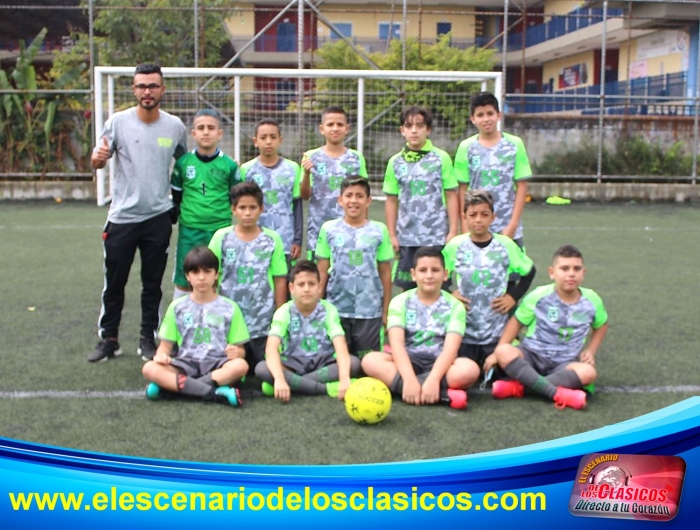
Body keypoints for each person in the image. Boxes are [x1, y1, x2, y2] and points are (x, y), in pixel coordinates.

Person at [89, 63, 188, 363]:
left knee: (152, 284)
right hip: (122, 218)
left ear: (162, 89)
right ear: (133, 90)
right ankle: (109, 339)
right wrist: (97, 158)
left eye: (153, 86)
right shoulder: (117, 123)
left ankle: (148, 339)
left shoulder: (175, 127)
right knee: (114, 282)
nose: (147, 91)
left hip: (158, 217)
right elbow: (99, 160)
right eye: (142, 86)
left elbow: (184, 165)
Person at [492, 245, 609, 410]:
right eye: (564, 268)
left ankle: (521, 388)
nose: (571, 274)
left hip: (566, 362)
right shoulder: (539, 296)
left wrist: (591, 350)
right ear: (552, 272)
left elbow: (602, 325)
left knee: (588, 372)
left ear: (583, 273)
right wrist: (497, 352)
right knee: (503, 351)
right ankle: (555, 393)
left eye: (576, 269)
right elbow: (516, 322)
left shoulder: (592, 300)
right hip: (532, 355)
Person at [361, 247, 479, 410]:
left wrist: (434, 379)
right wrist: (408, 378)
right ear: (413, 274)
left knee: (469, 370)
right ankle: (440, 394)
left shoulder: (455, 306)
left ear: (445, 274)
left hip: (440, 363)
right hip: (407, 361)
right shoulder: (400, 301)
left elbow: (450, 350)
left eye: (435, 270)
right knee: (370, 360)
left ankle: (413, 389)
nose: (429, 276)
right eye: (423, 270)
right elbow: (397, 345)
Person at [141, 246, 249, 406]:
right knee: (150, 368)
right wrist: (161, 356)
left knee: (240, 366)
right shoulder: (177, 307)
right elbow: (164, 347)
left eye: (207, 272)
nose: (201, 277)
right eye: (195, 272)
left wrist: (237, 352)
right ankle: (212, 392)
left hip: (217, 364)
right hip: (185, 364)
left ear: (216, 274)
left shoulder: (230, 307)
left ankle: (175, 388)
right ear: (187, 276)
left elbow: (240, 351)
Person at [443, 190, 535, 376]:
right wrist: (450, 293)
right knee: (461, 372)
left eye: (484, 215)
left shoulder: (505, 245)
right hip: (464, 330)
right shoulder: (455, 246)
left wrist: (513, 297)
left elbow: (529, 271)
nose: (478, 220)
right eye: (473, 215)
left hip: (496, 330)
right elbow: (438, 274)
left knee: (510, 369)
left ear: (493, 217)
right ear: (464, 217)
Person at [254, 260, 361, 402]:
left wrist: (344, 378)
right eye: (301, 284)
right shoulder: (284, 311)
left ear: (319, 287)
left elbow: (340, 344)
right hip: (293, 363)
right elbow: (271, 348)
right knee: (262, 368)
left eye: (311, 284)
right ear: (291, 288)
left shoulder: (329, 309)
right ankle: (326, 388)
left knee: (353, 363)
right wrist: (279, 378)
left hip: (323, 362)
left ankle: (293, 384)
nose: (306, 289)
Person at [208, 182, 288, 371]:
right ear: (233, 209)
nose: (247, 213)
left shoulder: (272, 239)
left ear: (261, 209)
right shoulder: (221, 237)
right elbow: (211, 276)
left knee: (266, 369)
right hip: (229, 322)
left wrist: (280, 318)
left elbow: (280, 280)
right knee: (230, 369)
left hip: (262, 322)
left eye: (252, 207)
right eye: (242, 208)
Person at [316, 177, 393, 358]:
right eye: (348, 195)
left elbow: (385, 272)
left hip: (370, 311)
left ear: (368, 201)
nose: (353, 200)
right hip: (337, 308)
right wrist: (318, 307)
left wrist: (385, 310)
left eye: (359, 196)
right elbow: (322, 271)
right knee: (339, 360)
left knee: (369, 362)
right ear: (340, 200)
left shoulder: (379, 230)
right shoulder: (329, 229)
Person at [383, 106, 459, 290]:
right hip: (407, 238)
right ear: (402, 130)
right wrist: (392, 235)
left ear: (428, 129)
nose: (414, 130)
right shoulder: (395, 162)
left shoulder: (441, 158)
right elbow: (391, 200)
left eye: (419, 125)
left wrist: (452, 231)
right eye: (409, 126)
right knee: (409, 289)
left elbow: (451, 195)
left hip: (436, 237)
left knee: (439, 288)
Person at [170, 109, 241, 301]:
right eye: (201, 128)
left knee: (218, 276)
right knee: (185, 277)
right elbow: (177, 196)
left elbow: (235, 198)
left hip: (219, 229)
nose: (206, 132)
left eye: (211, 128)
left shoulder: (229, 165)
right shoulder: (183, 163)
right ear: (193, 133)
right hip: (190, 229)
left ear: (220, 133)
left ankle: (218, 315)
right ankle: (179, 315)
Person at [453, 91, 532, 247]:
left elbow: (521, 186)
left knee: (514, 263)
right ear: (473, 119)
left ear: (499, 115)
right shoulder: (466, 147)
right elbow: (462, 190)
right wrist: (465, 226)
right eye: (480, 115)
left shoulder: (514, 144)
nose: (486, 119)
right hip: (476, 228)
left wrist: (513, 225)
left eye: (490, 113)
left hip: (507, 227)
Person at [301, 106, 368, 259]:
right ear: (322, 129)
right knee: (318, 273)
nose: (335, 128)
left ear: (347, 129)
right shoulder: (311, 157)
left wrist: (364, 226)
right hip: (318, 232)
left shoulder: (356, 158)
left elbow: (363, 195)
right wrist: (306, 173)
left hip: (350, 232)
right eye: (330, 124)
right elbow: (305, 195)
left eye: (340, 124)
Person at [240, 119, 302, 269]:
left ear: (280, 140)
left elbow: (297, 206)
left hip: (285, 240)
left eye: (273, 137)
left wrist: (297, 240)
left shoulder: (293, 168)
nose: (268, 142)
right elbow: (241, 207)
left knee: (284, 281)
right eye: (263, 137)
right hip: (256, 241)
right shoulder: (246, 170)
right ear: (255, 141)